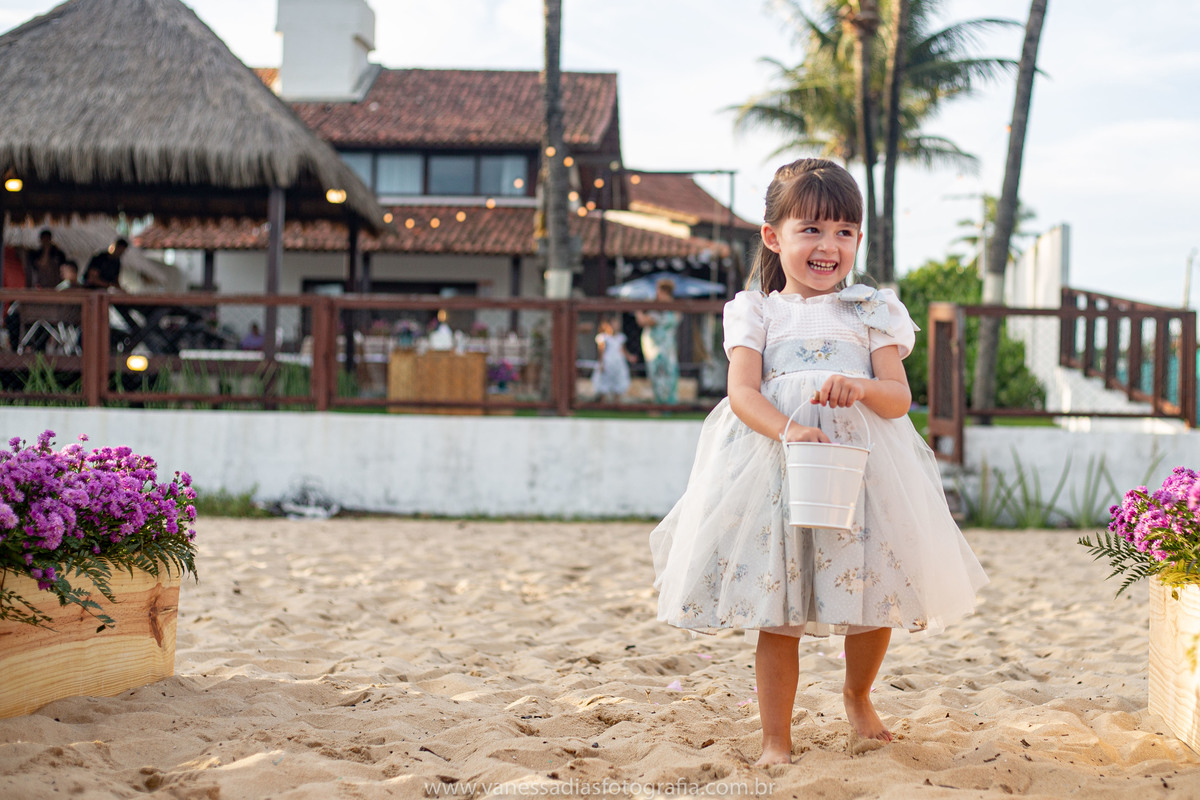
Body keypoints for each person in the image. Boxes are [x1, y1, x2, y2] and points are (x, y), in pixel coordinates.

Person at [648, 158, 987, 766]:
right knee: (779, 606)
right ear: (773, 236)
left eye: (844, 231)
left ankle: (858, 699)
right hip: (776, 468)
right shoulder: (756, 311)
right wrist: (789, 430)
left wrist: (859, 389)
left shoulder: (872, 309)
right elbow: (743, 392)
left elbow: (898, 396)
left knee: (873, 591)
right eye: (811, 229)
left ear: (858, 238)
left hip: (862, 468)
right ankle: (775, 738)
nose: (828, 246)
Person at [635, 278, 680, 403]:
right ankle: (667, 404)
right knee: (668, 375)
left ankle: (662, 404)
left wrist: (638, 310)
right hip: (666, 347)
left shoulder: (661, 309)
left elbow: (644, 321)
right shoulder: (674, 308)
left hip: (658, 348)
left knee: (659, 375)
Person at [592, 316, 634, 400]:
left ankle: (616, 402)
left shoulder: (620, 337)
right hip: (607, 362)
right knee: (604, 380)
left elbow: (622, 350)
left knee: (618, 380)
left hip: (618, 362)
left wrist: (630, 357)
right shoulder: (603, 338)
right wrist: (601, 363)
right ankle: (602, 402)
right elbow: (601, 352)